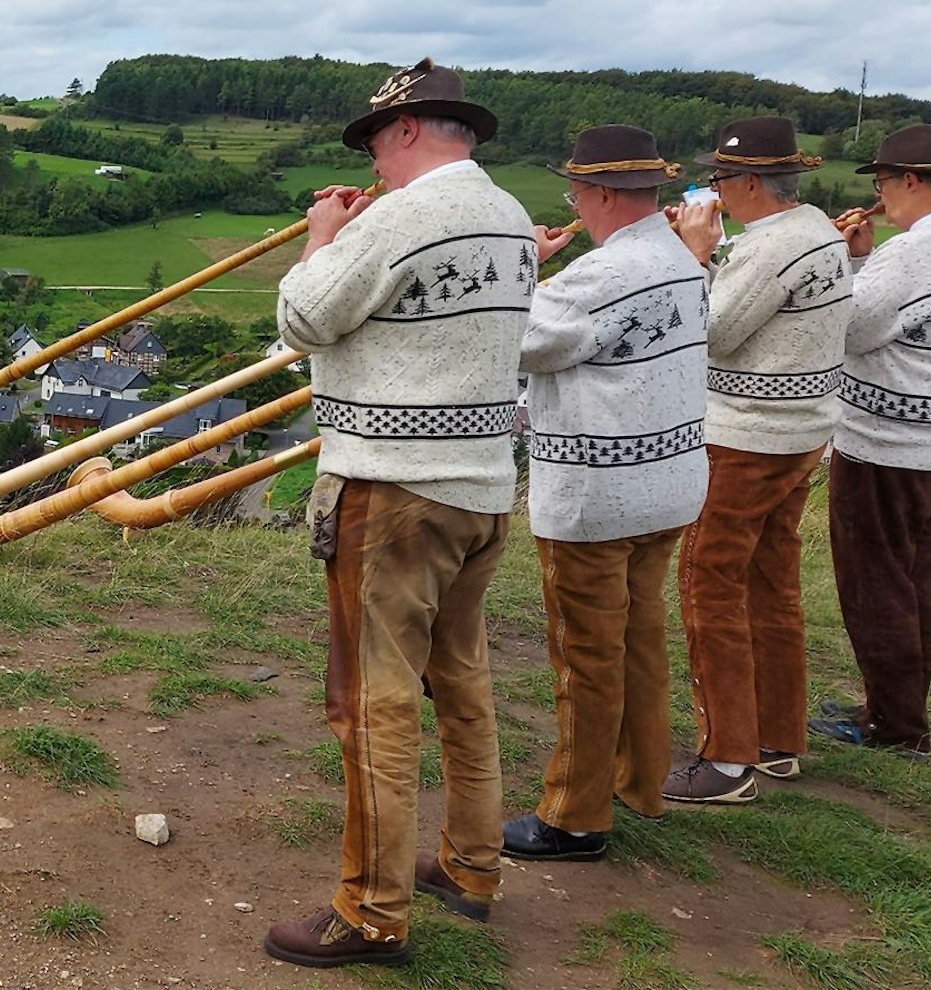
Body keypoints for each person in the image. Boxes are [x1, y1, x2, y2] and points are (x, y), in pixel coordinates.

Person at [264, 58, 533, 969]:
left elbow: (303, 317)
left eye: (377, 141)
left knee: (370, 703)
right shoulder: (506, 213)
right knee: (460, 685)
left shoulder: (408, 216)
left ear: (410, 130)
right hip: (483, 489)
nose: (373, 161)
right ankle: (470, 866)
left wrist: (322, 236)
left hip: (393, 492)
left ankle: (371, 912)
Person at [503, 126, 710, 860]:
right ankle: (639, 781)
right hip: (669, 481)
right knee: (637, 640)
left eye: (575, 195)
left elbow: (512, 337)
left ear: (593, 195)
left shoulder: (600, 276)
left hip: (599, 494)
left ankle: (574, 815)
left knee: (585, 656)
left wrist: (523, 263)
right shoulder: (680, 259)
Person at [663, 116, 853, 804]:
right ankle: (776, 740)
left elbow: (712, 332)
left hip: (744, 436)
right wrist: (715, 259)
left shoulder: (767, 247)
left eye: (717, 178)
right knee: (770, 586)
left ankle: (725, 760)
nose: (710, 189)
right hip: (800, 431)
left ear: (746, 182)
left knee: (707, 583)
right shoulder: (817, 232)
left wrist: (692, 255)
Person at [811, 124, 931, 756]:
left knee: (873, 585)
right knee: (912, 582)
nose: (880, 195)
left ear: (909, 180)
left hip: (886, 444)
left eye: (881, 182)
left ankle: (895, 727)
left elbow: (849, 330)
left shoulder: (910, 254)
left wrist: (844, 259)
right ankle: (895, 704)